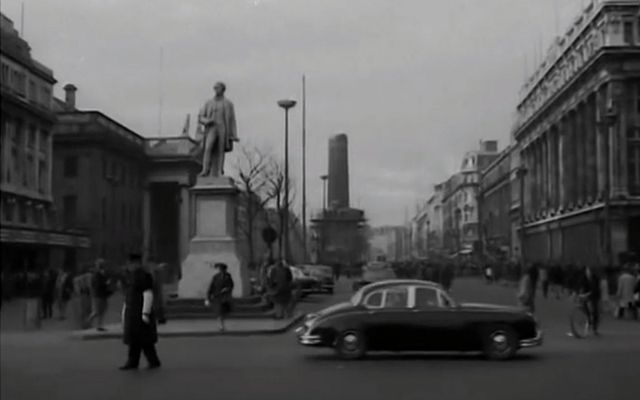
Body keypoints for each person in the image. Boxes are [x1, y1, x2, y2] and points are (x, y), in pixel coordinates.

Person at [119, 253, 161, 371]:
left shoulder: (143, 276)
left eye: (130, 263)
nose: (128, 266)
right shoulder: (132, 276)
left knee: (143, 339)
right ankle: (135, 361)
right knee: (136, 339)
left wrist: (145, 312)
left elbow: (148, 293)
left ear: (135, 263)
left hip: (139, 311)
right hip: (133, 310)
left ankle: (151, 361)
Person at [196, 81, 239, 177]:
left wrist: (234, 135)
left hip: (222, 127)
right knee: (208, 148)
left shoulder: (228, 103)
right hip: (211, 127)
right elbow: (200, 116)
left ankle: (220, 171)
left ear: (223, 90)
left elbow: (232, 120)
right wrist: (206, 121)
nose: (216, 90)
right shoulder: (208, 103)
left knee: (220, 150)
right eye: (214, 88)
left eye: (217, 88)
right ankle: (205, 169)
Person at [205, 263, 234, 331]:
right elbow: (211, 287)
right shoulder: (216, 277)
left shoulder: (228, 276)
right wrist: (208, 297)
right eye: (220, 269)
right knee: (220, 311)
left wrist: (227, 288)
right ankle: (221, 325)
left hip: (225, 297)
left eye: (222, 269)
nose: (221, 270)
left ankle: (221, 323)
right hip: (217, 296)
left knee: (225, 312)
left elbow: (231, 285)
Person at [576, 265, 602, 336]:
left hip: (594, 295)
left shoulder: (595, 278)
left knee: (595, 311)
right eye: (587, 271)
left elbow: (595, 289)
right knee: (585, 308)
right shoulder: (583, 278)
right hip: (586, 294)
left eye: (589, 271)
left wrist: (588, 294)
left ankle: (594, 328)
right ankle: (588, 320)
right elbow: (580, 286)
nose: (588, 272)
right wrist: (580, 293)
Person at [87, 259, 113, 331]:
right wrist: (106, 283)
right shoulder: (97, 275)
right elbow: (97, 284)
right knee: (97, 311)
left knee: (102, 310)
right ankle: (89, 322)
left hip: (101, 294)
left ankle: (99, 325)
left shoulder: (101, 274)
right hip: (98, 295)